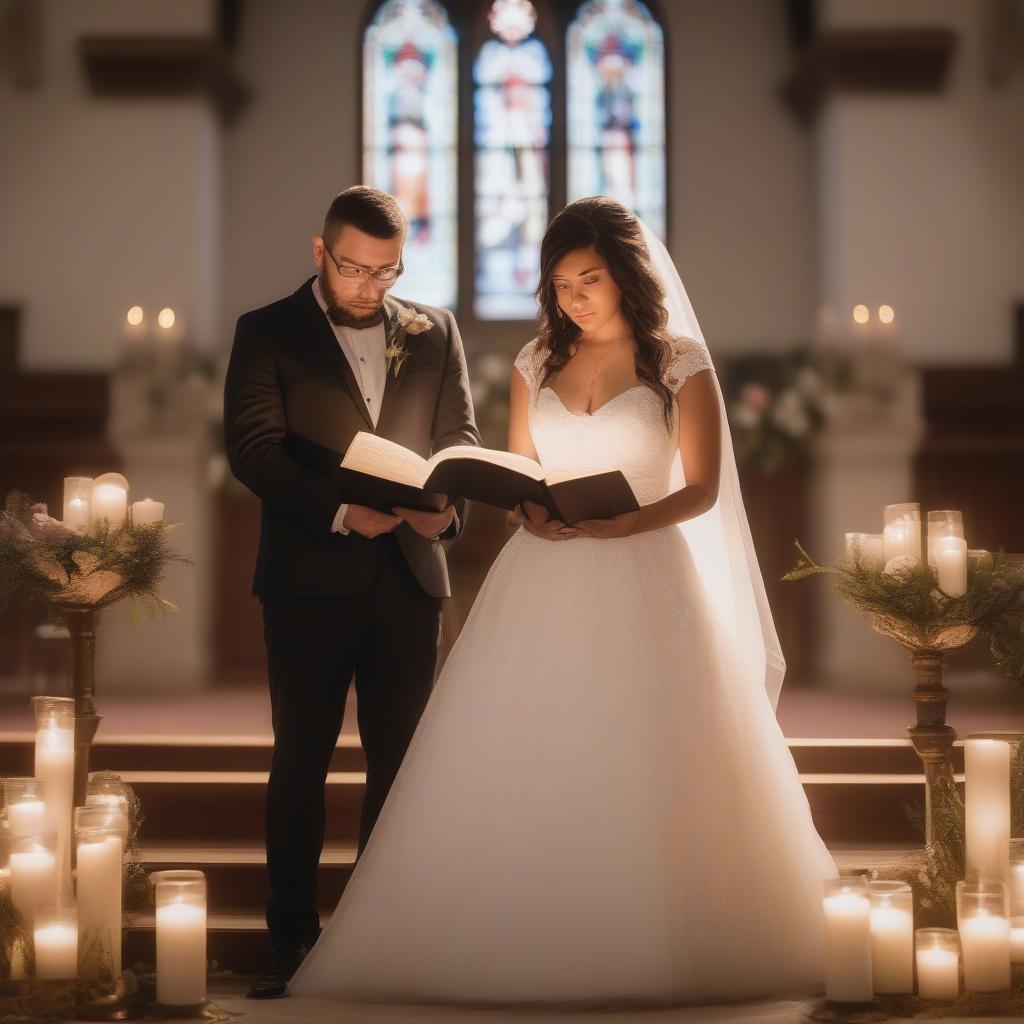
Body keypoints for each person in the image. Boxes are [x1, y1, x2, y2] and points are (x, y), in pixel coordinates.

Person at [289, 196, 838, 1007]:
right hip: (542, 571)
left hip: (647, 567)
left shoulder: (679, 362)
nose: (577, 296)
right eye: (562, 282)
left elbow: (705, 489)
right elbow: (519, 469)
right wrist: (527, 506)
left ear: (626, 273)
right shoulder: (537, 358)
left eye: (591, 278)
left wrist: (628, 524)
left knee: (647, 752)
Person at [223, 186, 480, 999]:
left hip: (411, 576)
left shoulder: (434, 329)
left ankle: (378, 940)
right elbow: (255, 450)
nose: (369, 286)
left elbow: (460, 436)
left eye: (386, 270)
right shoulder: (266, 331)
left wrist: (445, 514)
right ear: (319, 252)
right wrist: (341, 510)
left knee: (400, 767)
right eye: (353, 267)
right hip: (309, 576)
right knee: (300, 763)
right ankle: (292, 945)